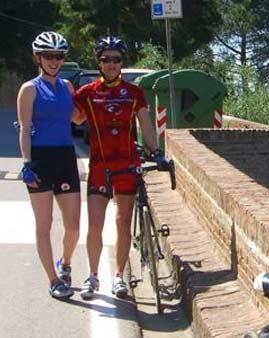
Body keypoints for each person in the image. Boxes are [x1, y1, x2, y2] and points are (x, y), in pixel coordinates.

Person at [73, 35, 168, 300]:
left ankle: (118, 277)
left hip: (127, 165)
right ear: (99, 62)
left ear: (122, 62)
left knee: (123, 222)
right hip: (100, 166)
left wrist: (157, 152)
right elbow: (74, 118)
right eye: (106, 59)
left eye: (116, 59)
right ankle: (92, 276)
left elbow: (146, 126)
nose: (111, 64)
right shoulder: (88, 93)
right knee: (95, 224)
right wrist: (61, 95)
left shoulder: (134, 93)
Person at [17, 32, 83, 299]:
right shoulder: (29, 89)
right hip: (41, 160)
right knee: (44, 223)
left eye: (59, 56)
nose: (54, 61)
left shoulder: (67, 86)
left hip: (66, 157)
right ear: (38, 57)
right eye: (48, 56)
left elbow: (78, 119)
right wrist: (26, 163)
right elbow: (24, 129)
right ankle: (54, 280)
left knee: (74, 226)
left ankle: (65, 263)